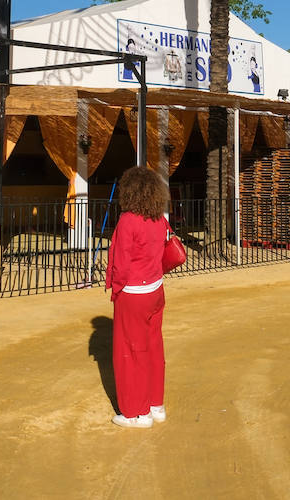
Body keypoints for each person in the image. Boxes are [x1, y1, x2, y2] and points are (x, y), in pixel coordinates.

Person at [105, 165, 171, 429]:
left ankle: (136, 412)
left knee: (130, 352)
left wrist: (115, 288)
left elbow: (121, 263)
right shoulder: (159, 218)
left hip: (133, 292)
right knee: (153, 347)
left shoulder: (128, 220)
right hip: (156, 289)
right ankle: (156, 405)